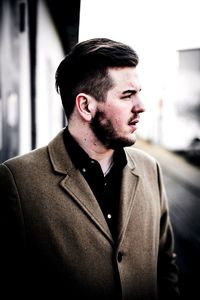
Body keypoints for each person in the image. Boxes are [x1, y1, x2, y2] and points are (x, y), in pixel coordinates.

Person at [0, 38, 180, 299]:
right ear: (86, 106)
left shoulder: (150, 168)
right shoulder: (17, 182)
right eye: (127, 95)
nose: (141, 106)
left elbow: (166, 264)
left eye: (138, 92)